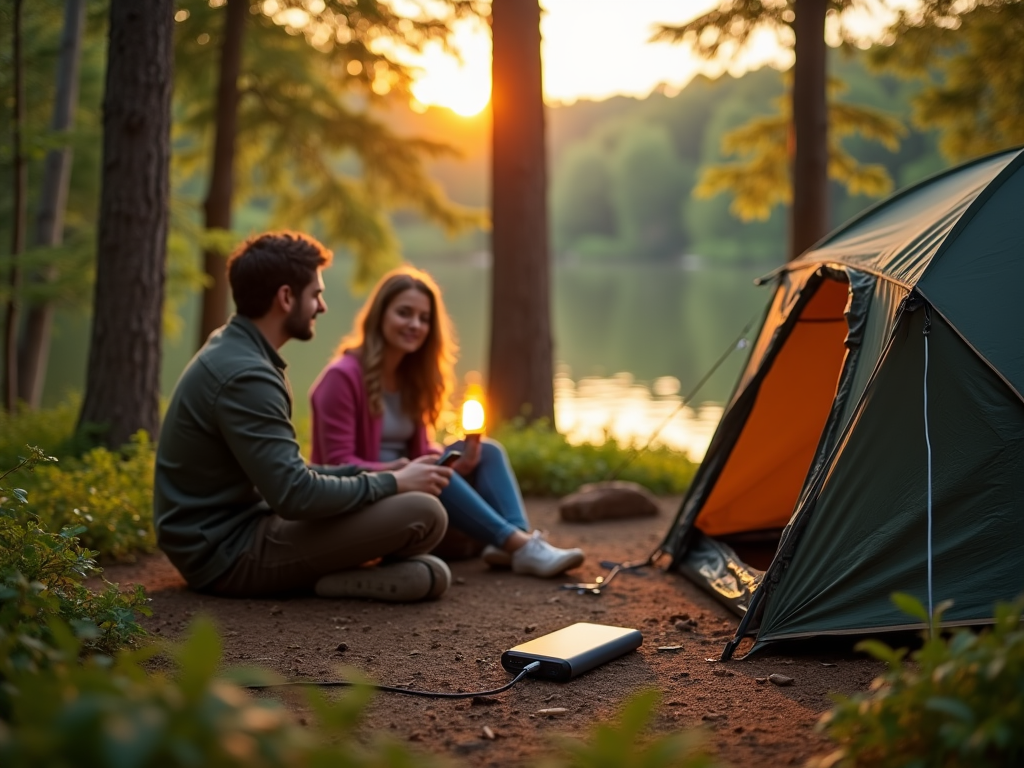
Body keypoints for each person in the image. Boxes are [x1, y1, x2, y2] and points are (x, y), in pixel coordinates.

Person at [154, 232, 456, 603]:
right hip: (226, 553)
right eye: (316, 294)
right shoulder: (247, 375)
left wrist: (381, 474)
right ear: (285, 297)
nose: (322, 306)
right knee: (424, 513)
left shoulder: (239, 348)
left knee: (428, 527)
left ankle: (340, 573)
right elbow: (295, 495)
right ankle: (330, 580)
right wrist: (392, 483)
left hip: (243, 527)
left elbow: (290, 476)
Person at [309, 266, 585, 578]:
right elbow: (335, 465)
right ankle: (521, 544)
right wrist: (399, 470)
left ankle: (513, 544)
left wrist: (459, 463)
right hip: (368, 492)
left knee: (488, 451)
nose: (415, 324)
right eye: (404, 313)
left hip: (410, 478)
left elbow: (423, 447)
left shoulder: (412, 377)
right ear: (380, 315)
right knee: (433, 469)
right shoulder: (341, 378)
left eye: (424, 318)